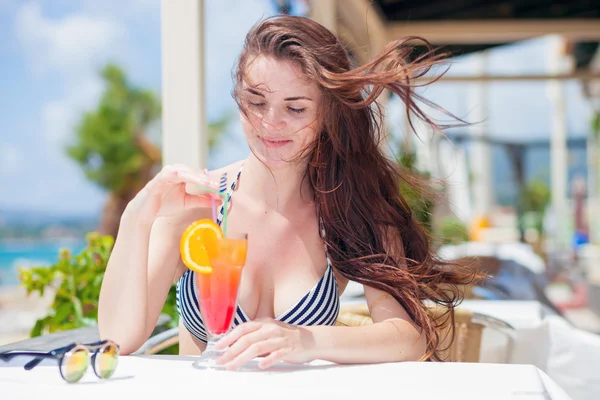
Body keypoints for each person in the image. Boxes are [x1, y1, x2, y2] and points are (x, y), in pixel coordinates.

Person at [98, 15, 479, 370]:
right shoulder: (200, 205)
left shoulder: (349, 212)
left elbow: (408, 339)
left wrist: (305, 340)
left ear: (327, 112)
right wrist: (137, 217)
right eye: (256, 102)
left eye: (295, 108)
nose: (270, 123)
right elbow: (118, 338)